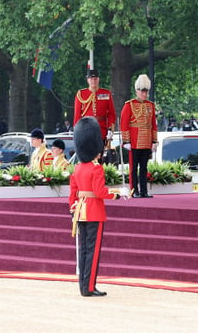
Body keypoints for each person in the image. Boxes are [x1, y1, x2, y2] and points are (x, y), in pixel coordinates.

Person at [68, 116, 128, 297]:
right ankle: (90, 287)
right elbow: (101, 192)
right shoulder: (96, 169)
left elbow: (73, 194)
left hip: (80, 211)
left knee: (83, 250)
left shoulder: (78, 168)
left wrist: (73, 210)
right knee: (92, 252)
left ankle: (83, 286)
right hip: (94, 211)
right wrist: (119, 194)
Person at [120, 74, 158, 198]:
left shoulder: (150, 105)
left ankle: (144, 191)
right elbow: (124, 123)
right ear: (137, 91)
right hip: (135, 141)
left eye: (146, 91)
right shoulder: (129, 105)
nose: (144, 94)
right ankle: (134, 190)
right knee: (133, 168)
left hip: (146, 141)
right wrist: (126, 141)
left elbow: (153, 124)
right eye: (142, 91)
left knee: (144, 168)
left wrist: (154, 141)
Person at [73, 68, 117, 147]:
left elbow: (111, 113)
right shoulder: (81, 94)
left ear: (98, 79)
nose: (93, 81)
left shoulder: (106, 93)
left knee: (100, 156)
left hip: (101, 130)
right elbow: (77, 115)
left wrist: (110, 128)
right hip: (85, 131)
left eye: (95, 78)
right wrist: (77, 131)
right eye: (91, 78)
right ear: (87, 80)